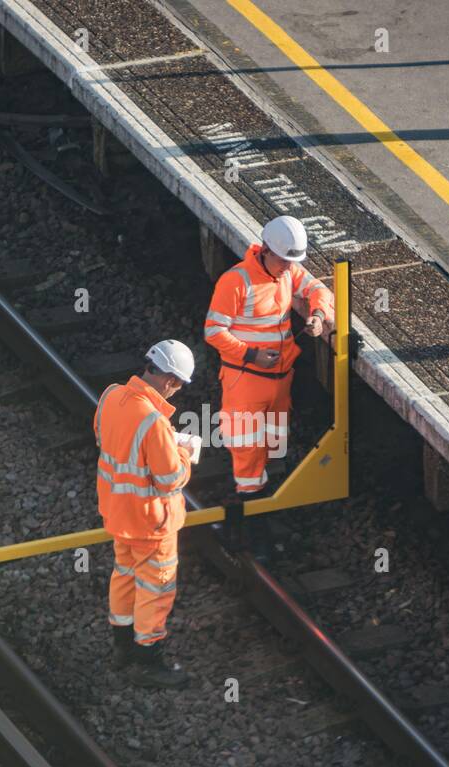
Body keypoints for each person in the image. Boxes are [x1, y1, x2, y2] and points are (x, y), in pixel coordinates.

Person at [203, 216, 334, 546]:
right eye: (283, 260)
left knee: (271, 444)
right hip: (246, 380)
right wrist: (250, 355)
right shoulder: (236, 282)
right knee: (248, 452)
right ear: (265, 250)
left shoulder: (288, 271)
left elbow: (318, 289)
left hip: (279, 379)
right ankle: (253, 530)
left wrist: (317, 316)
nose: (287, 268)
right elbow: (213, 331)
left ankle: (261, 511)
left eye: (292, 262)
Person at [93, 340, 199, 688]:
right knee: (156, 587)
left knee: (124, 576)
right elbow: (170, 480)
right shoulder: (153, 420)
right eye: (179, 384)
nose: (177, 391)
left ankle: (121, 650)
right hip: (152, 524)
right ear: (169, 379)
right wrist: (184, 454)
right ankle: (148, 660)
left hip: (118, 515)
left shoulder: (111, 395)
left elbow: (105, 439)